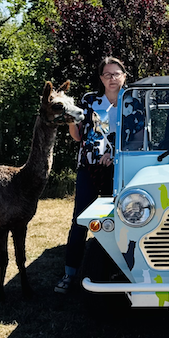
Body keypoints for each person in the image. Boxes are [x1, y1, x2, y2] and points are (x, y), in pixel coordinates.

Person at [55, 56, 136, 294]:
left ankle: (119, 271)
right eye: (107, 74)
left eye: (116, 74)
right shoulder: (89, 101)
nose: (112, 79)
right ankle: (70, 272)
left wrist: (115, 155)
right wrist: (71, 122)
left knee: (121, 220)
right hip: (89, 167)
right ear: (101, 78)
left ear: (124, 76)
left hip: (121, 169)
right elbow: (78, 136)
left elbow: (138, 136)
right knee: (80, 220)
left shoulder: (134, 101)